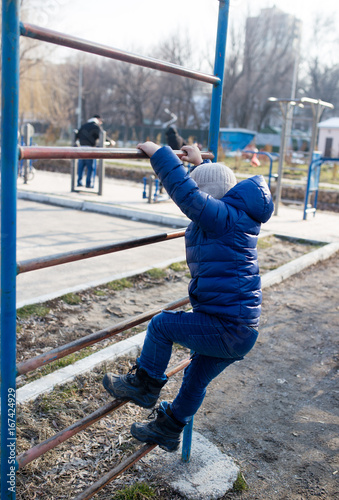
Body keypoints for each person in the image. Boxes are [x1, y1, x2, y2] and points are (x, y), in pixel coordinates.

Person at [102, 142, 274, 452]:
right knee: (195, 378)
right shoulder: (234, 215)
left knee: (162, 325)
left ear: (212, 199)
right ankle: (168, 430)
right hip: (241, 330)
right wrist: (198, 164)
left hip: (227, 326)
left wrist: (161, 154)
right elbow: (214, 185)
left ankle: (145, 384)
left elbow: (190, 196)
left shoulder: (221, 218)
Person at [76, 115, 103, 188]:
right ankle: (88, 183)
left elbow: (77, 136)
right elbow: (102, 136)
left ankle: (79, 181)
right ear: (98, 119)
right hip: (90, 149)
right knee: (90, 167)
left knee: (81, 167)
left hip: (81, 149)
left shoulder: (84, 126)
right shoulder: (96, 127)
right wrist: (110, 142)